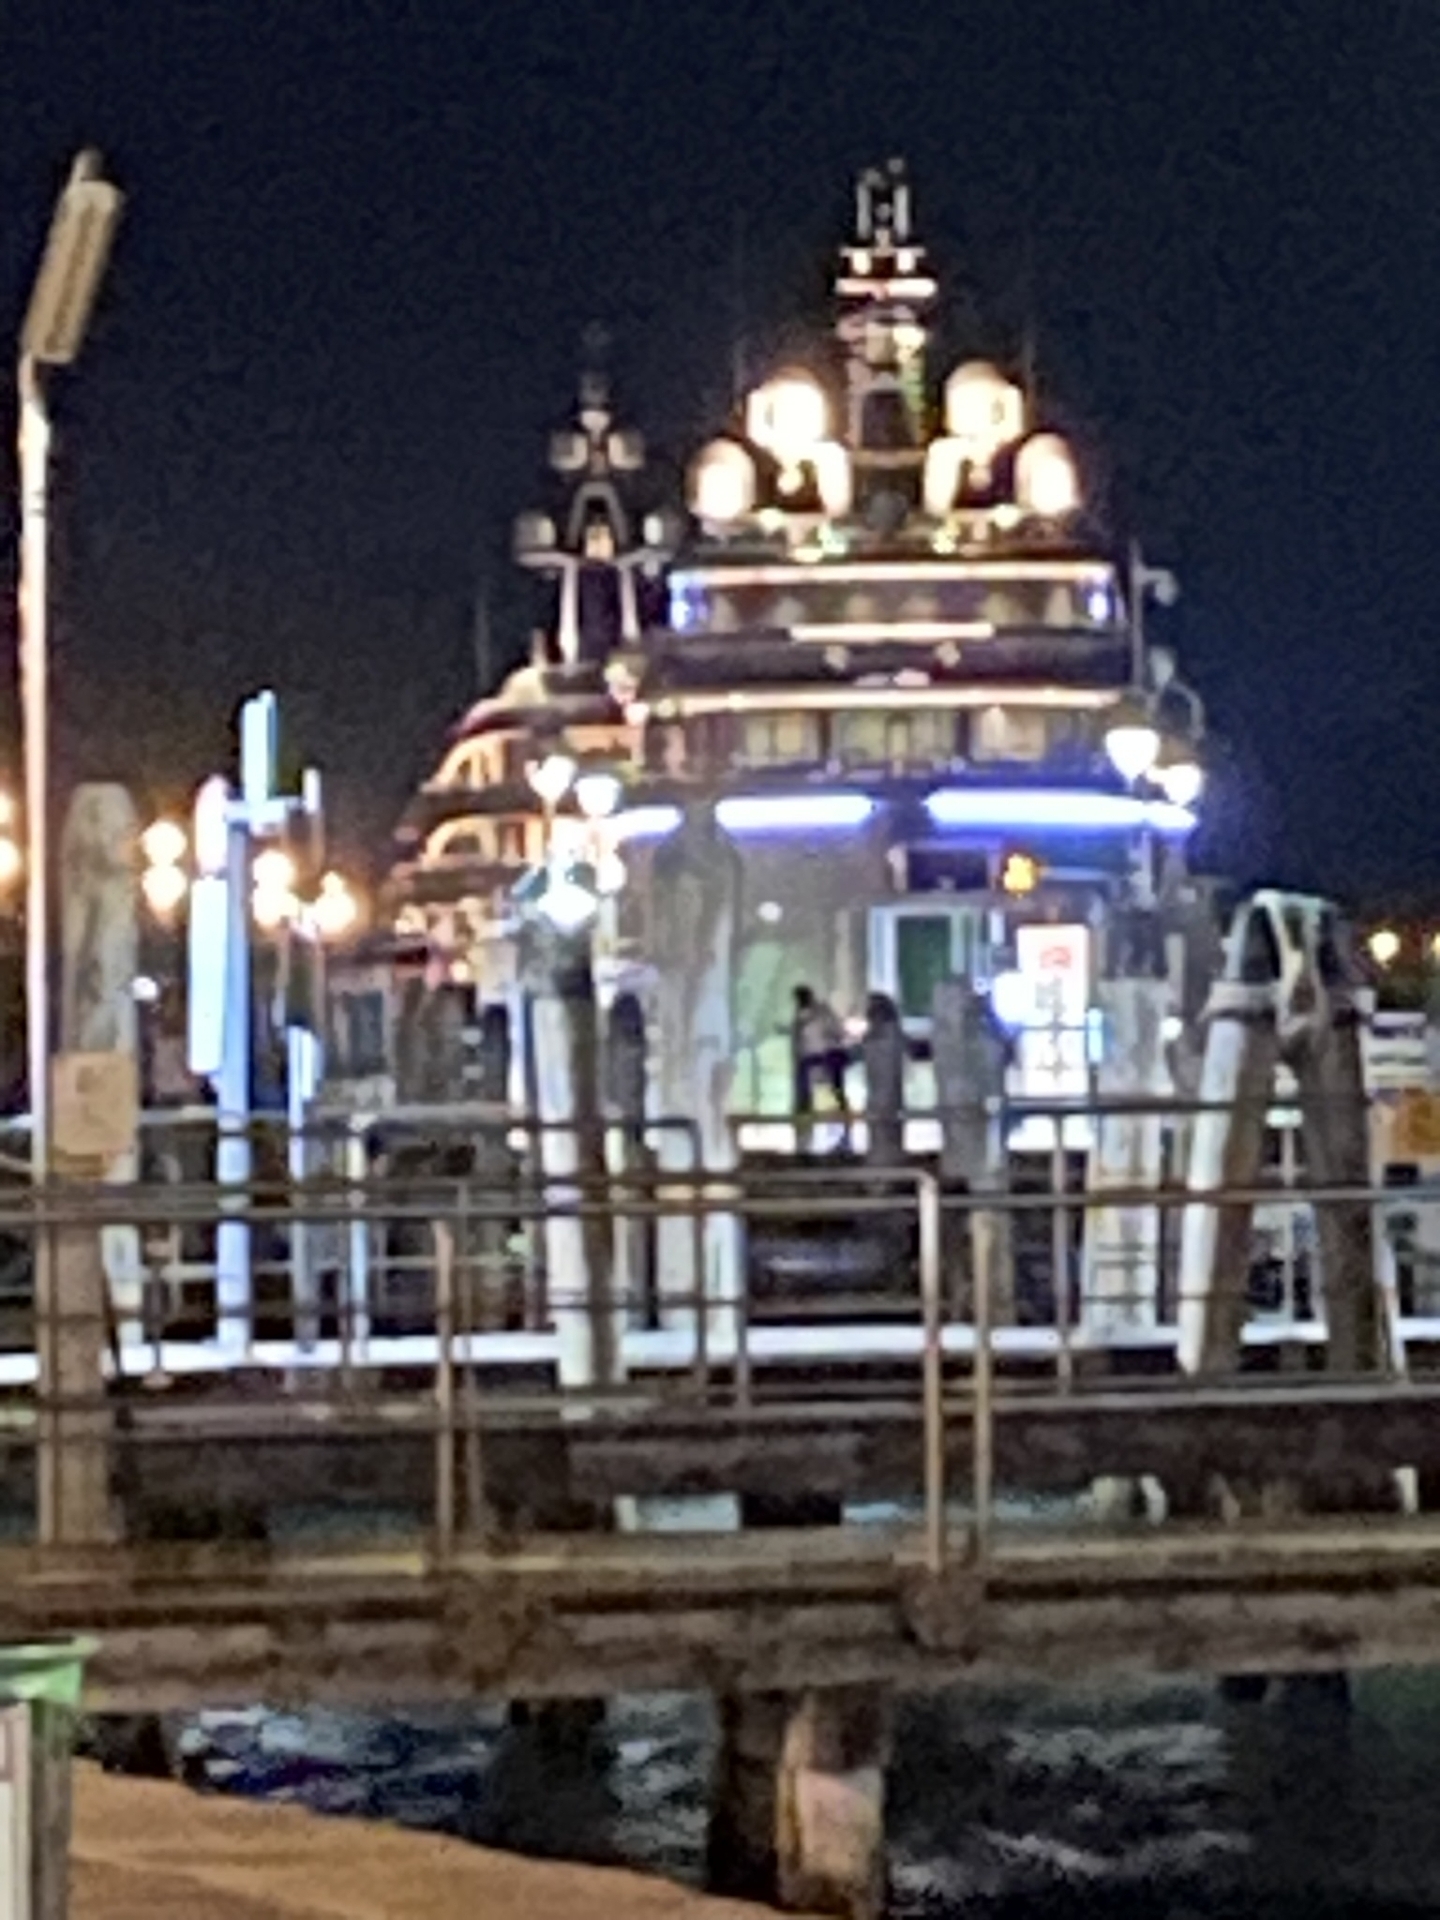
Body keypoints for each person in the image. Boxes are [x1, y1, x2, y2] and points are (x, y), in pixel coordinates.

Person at [791, 985, 850, 1118]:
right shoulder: (799, 1019)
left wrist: (832, 1045)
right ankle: (806, 1113)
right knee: (810, 1089)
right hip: (811, 1062)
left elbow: (838, 1032)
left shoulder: (823, 1013)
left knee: (834, 1091)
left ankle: (841, 1115)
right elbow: (799, 1046)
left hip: (827, 1057)